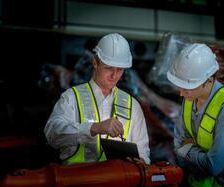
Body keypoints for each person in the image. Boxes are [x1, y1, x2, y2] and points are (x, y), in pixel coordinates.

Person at [44, 33, 150, 164]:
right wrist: (93, 128)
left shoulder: (132, 106)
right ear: (95, 62)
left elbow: (143, 151)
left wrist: (141, 161)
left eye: (120, 70)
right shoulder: (71, 97)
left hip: (117, 182)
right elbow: (52, 135)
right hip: (77, 180)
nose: (114, 75)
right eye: (109, 68)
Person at [166, 43, 224, 187]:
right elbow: (178, 145)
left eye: (187, 87)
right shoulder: (189, 97)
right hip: (196, 186)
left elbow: (213, 166)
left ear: (209, 80)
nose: (181, 93)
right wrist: (191, 153)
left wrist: (188, 149)